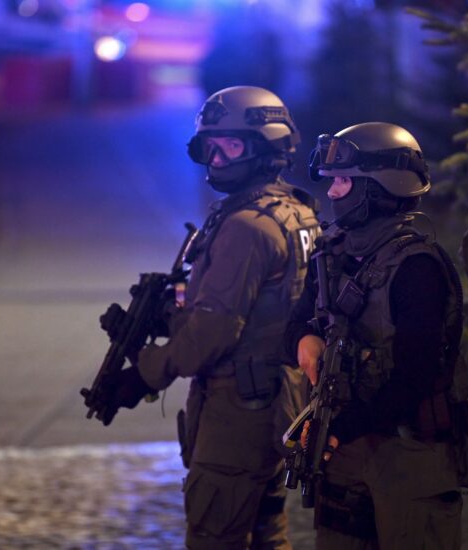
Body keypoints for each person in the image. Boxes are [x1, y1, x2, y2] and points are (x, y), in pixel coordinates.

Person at [103, 85, 321, 548]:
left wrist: (143, 376)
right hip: (278, 399)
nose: (217, 159)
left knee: (214, 537)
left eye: (232, 145)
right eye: (210, 146)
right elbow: (260, 306)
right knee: (267, 534)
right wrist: (164, 317)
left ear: (266, 147)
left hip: (237, 413)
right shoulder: (295, 212)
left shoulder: (247, 226)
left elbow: (214, 332)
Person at [285, 122, 466, 549]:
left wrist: (344, 426)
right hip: (344, 449)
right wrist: (304, 340)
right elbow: (296, 322)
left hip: (406, 452)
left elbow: (416, 374)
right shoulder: (332, 254)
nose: (331, 193)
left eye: (343, 181)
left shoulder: (418, 267)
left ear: (379, 188)